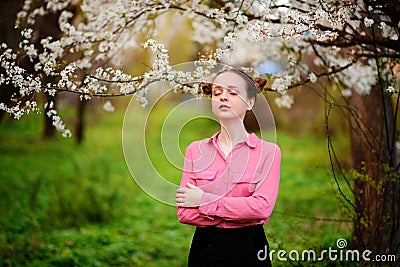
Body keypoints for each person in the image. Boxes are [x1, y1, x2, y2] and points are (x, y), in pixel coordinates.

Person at [175, 68, 281, 267]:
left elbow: (261, 209)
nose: (223, 97)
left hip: (250, 248)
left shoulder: (269, 152)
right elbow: (185, 213)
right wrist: (240, 213)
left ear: (250, 102)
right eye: (217, 93)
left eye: (233, 92)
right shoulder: (195, 150)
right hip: (205, 249)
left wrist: (203, 201)